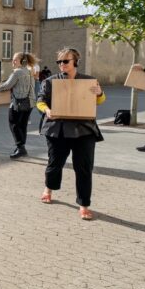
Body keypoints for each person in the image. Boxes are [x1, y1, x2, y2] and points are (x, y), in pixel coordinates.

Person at [37, 48, 105, 220]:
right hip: (57, 128)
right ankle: (49, 188)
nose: (62, 65)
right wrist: (47, 110)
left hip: (84, 130)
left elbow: (99, 101)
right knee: (55, 163)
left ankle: (83, 205)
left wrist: (100, 93)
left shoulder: (89, 81)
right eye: (59, 62)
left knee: (83, 167)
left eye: (65, 61)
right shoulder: (51, 81)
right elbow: (40, 101)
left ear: (76, 61)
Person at [0, 52, 37, 158]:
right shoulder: (29, 71)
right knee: (22, 125)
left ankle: (20, 148)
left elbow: (6, 86)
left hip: (19, 103)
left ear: (22, 61)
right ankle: (21, 147)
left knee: (13, 124)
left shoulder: (17, 72)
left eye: (15, 59)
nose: (13, 61)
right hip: (30, 103)